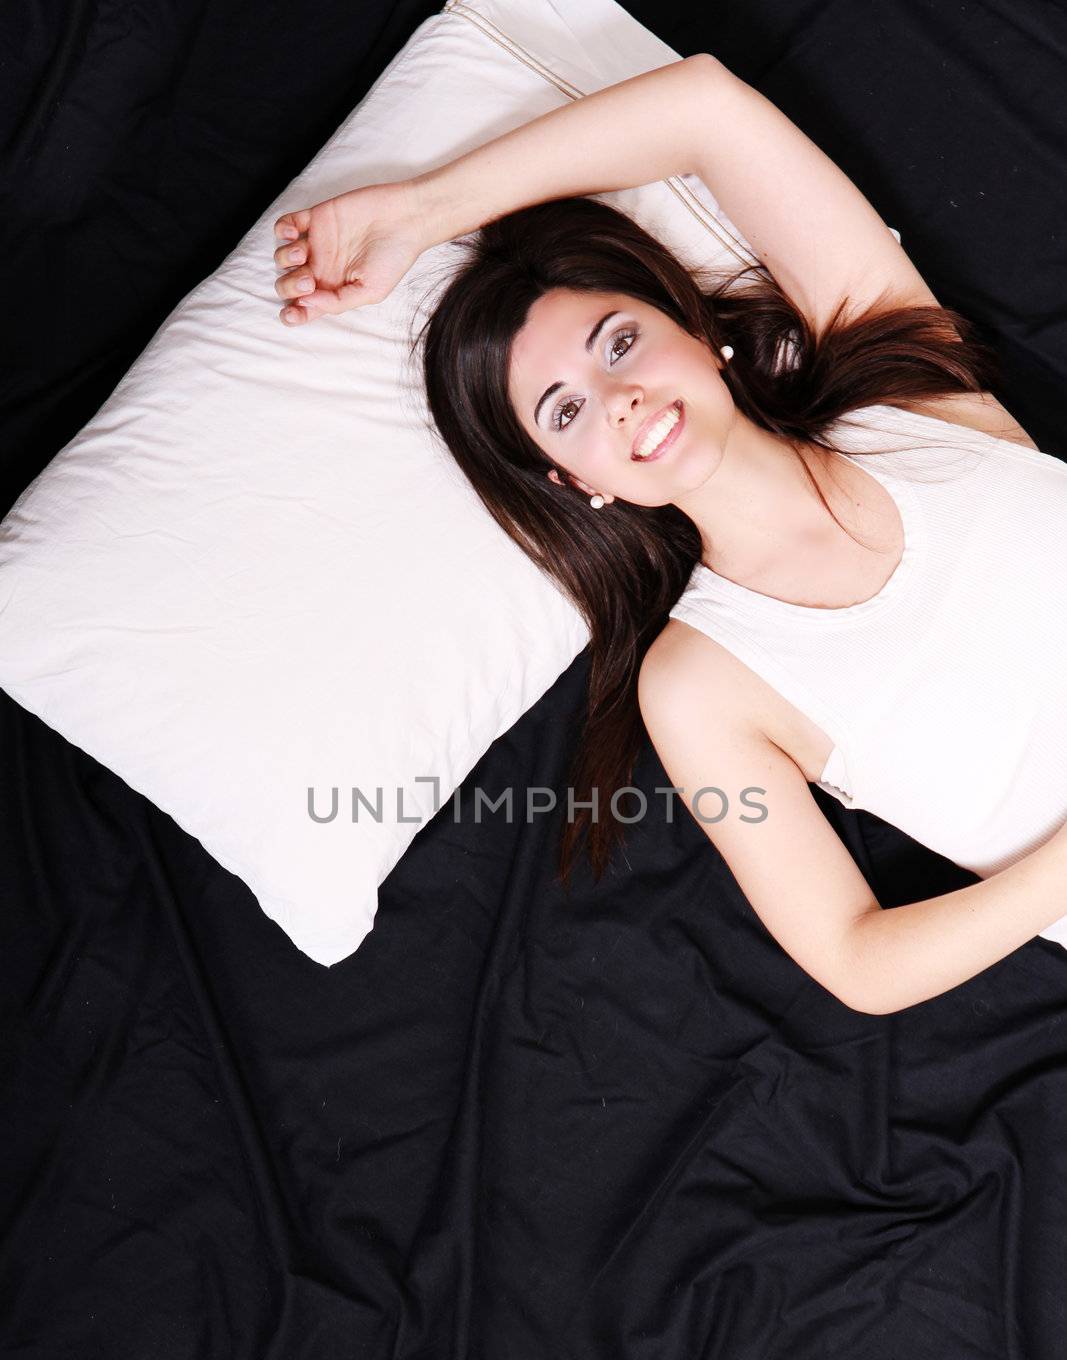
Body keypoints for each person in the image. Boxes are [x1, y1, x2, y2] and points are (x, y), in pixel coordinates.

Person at [270, 53, 1067, 1015]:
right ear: (574, 482)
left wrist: (424, 213)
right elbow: (860, 963)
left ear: (695, 332)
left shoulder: (904, 390)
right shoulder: (702, 682)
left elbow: (704, 109)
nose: (620, 399)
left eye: (619, 342)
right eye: (564, 413)